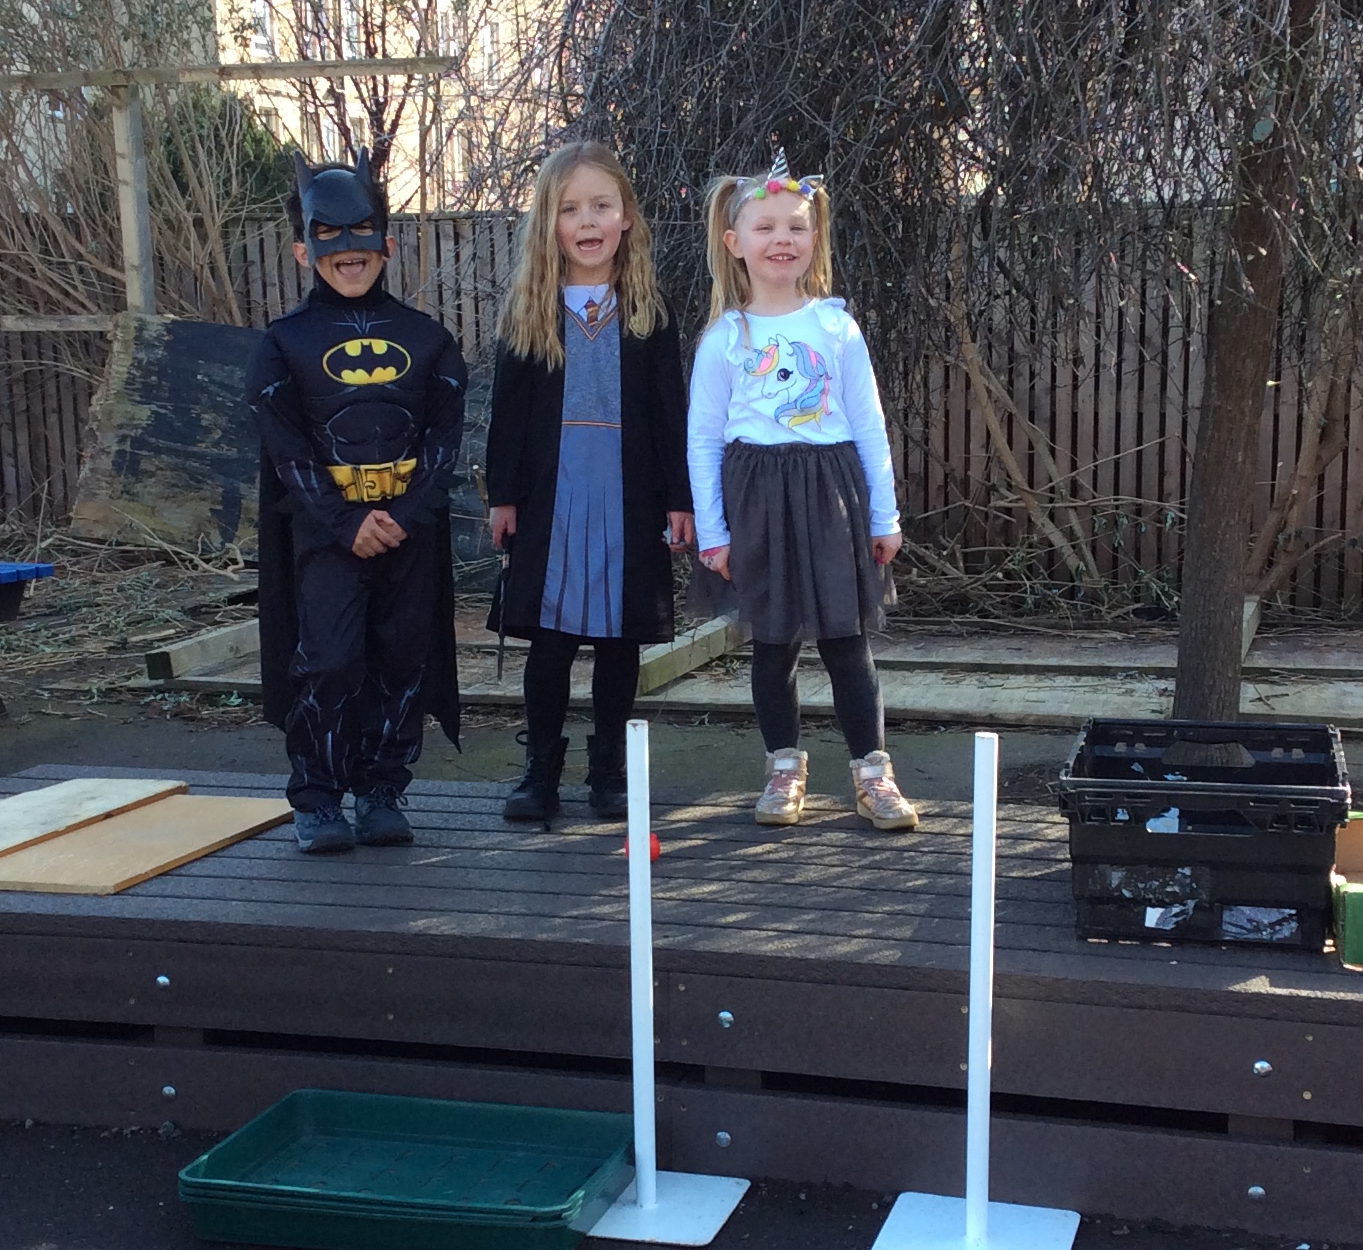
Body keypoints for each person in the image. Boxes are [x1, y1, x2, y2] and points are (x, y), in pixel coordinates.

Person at [687, 151, 918, 831]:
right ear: (735, 243)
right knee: (773, 644)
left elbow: (869, 426)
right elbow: (703, 441)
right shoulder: (724, 339)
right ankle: (783, 769)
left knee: (847, 642)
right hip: (757, 500)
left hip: (830, 497)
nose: (781, 239)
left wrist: (884, 516)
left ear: (814, 238)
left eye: (795, 226)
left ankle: (873, 774)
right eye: (765, 228)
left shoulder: (836, 327)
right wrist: (714, 531)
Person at [252, 149, 467, 855]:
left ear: (388, 243)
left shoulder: (429, 341)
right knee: (329, 658)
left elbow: (444, 442)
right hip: (326, 535)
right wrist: (346, 522)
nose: (348, 249)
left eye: (361, 231)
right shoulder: (281, 346)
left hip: (407, 532)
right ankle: (317, 797)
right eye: (328, 234)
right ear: (302, 249)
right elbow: (286, 452)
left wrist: (400, 517)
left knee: (404, 656)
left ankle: (382, 790)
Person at [485, 141, 693, 824]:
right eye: (571, 209)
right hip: (552, 498)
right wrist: (503, 496)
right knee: (550, 642)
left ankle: (608, 770)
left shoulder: (649, 311)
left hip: (627, 498)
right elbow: (508, 413)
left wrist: (680, 499)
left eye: (602, 206)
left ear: (626, 217)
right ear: (550, 223)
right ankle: (540, 768)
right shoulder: (530, 309)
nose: (588, 221)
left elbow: (670, 412)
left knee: (617, 640)